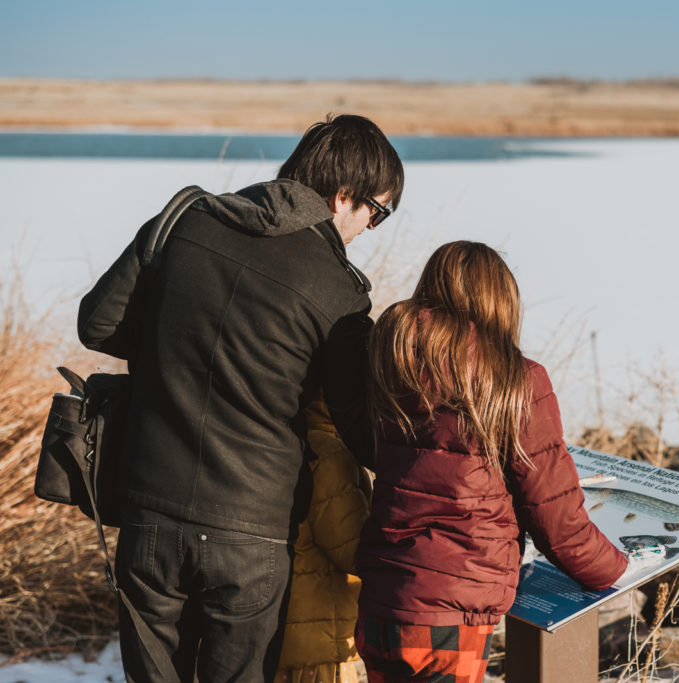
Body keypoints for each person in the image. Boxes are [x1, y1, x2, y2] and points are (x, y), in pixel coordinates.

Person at [77, 114, 403, 683]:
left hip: (149, 510)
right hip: (253, 533)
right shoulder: (339, 294)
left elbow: (97, 325)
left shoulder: (185, 220)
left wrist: (171, 348)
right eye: (377, 211)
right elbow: (360, 428)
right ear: (343, 195)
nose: (372, 228)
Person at [355, 241, 629, 683]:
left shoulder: (391, 363)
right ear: (499, 302)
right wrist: (615, 568)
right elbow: (555, 514)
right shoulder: (515, 380)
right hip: (450, 612)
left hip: (382, 599)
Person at [274, 397, 371, 683]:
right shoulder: (328, 454)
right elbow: (354, 551)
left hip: (282, 635)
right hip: (322, 647)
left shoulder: (278, 442)